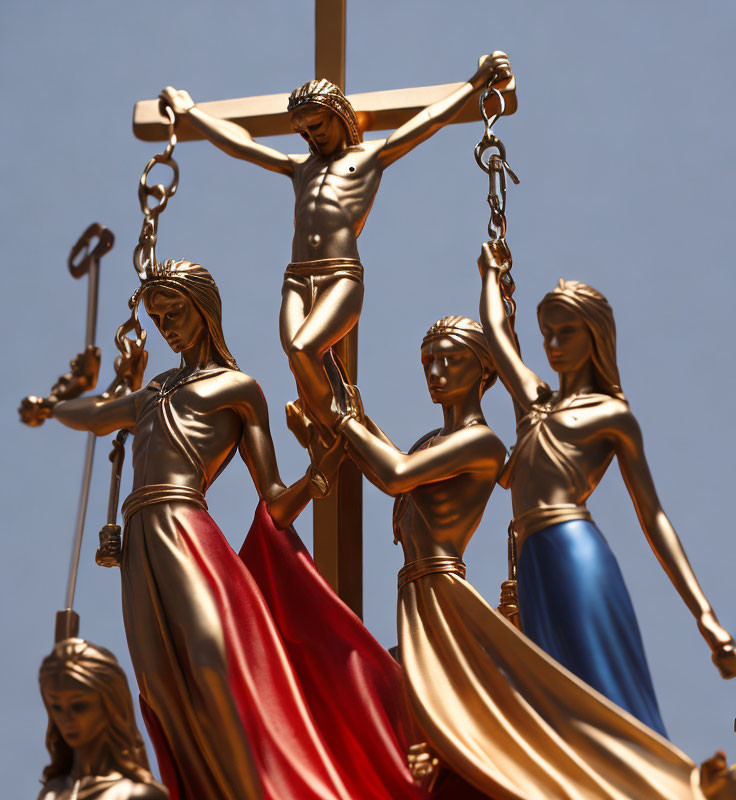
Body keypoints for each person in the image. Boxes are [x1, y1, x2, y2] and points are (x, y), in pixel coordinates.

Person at [23, 259, 425, 800]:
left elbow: (277, 503)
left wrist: (323, 467)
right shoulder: (150, 393)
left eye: (175, 313)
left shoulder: (238, 390)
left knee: (214, 666)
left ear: (204, 310)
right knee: (161, 688)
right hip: (141, 548)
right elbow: (95, 415)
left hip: (188, 535)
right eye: (158, 318)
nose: (167, 327)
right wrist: (52, 406)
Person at [330, 314, 711, 800]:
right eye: (429, 360)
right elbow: (386, 459)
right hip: (416, 593)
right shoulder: (432, 443)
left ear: (484, 372)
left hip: (443, 594)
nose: (436, 371)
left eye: (452, 360)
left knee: (439, 700)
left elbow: (395, 475)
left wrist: (342, 420)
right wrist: (348, 414)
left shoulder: (481, 443)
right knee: (394, 689)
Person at [159, 53, 512, 436]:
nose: (311, 137)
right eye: (304, 133)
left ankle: (342, 430)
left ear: (339, 115)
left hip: (340, 274)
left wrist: (476, 82)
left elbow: (430, 119)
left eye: (316, 126)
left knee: (303, 349)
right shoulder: (300, 168)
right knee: (297, 356)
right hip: (296, 277)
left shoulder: (370, 158)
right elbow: (240, 145)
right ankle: (327, 426)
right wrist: (189, 113)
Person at [477, 239, 736, 736]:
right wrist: (489, 271)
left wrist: (706, 618)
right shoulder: (535, 402)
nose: (552, 345)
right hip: (533, 559)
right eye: (547, 334)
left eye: (566, 333)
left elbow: (653, 517)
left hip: (572, 550)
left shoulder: (612, 417)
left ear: (593, 335)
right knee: (552, 693)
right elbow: (496, 336)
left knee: (598, 679)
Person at [38, 637, 168, 800]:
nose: (66, 719)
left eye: (79, 706)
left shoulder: (136, 795)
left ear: (110, 705)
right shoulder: (51, 792)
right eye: (56, 707)